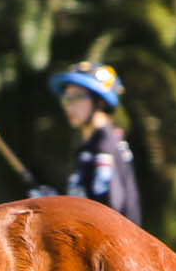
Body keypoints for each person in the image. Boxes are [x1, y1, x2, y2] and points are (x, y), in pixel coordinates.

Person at [48, 60, 142, 227]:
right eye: (66, 99)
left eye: (76, 97)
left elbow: (108, 212)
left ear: (100, 102)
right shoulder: (92, 146)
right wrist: (52, 202)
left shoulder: (103, 147)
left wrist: (55, 208)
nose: (69, 107)